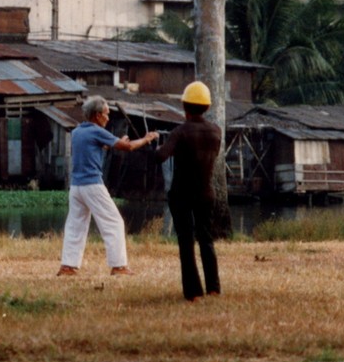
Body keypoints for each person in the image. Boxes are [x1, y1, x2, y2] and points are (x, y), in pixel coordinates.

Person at [57, 95, 158, 277]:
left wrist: (115, 142)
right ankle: (119, 266)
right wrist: (145, 139)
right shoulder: (97, 131)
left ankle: (68, 266)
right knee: (114, 222)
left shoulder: (78, 132)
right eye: (106, 114)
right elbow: (127, 148)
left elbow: (95, 147)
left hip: (76, 187)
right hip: (92, 185)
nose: (108, 117)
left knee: (75, 225)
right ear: (96, 115)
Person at [152, 81, 222, 301]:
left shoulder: (180, 132)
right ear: (207, 107)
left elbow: (161, 156)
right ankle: (213, 288)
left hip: (182, 194)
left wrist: (152, 147)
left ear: (184, 106)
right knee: (206, 240)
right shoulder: (216, 131)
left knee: (186, 241)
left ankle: (193, 293)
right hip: (206, 193)